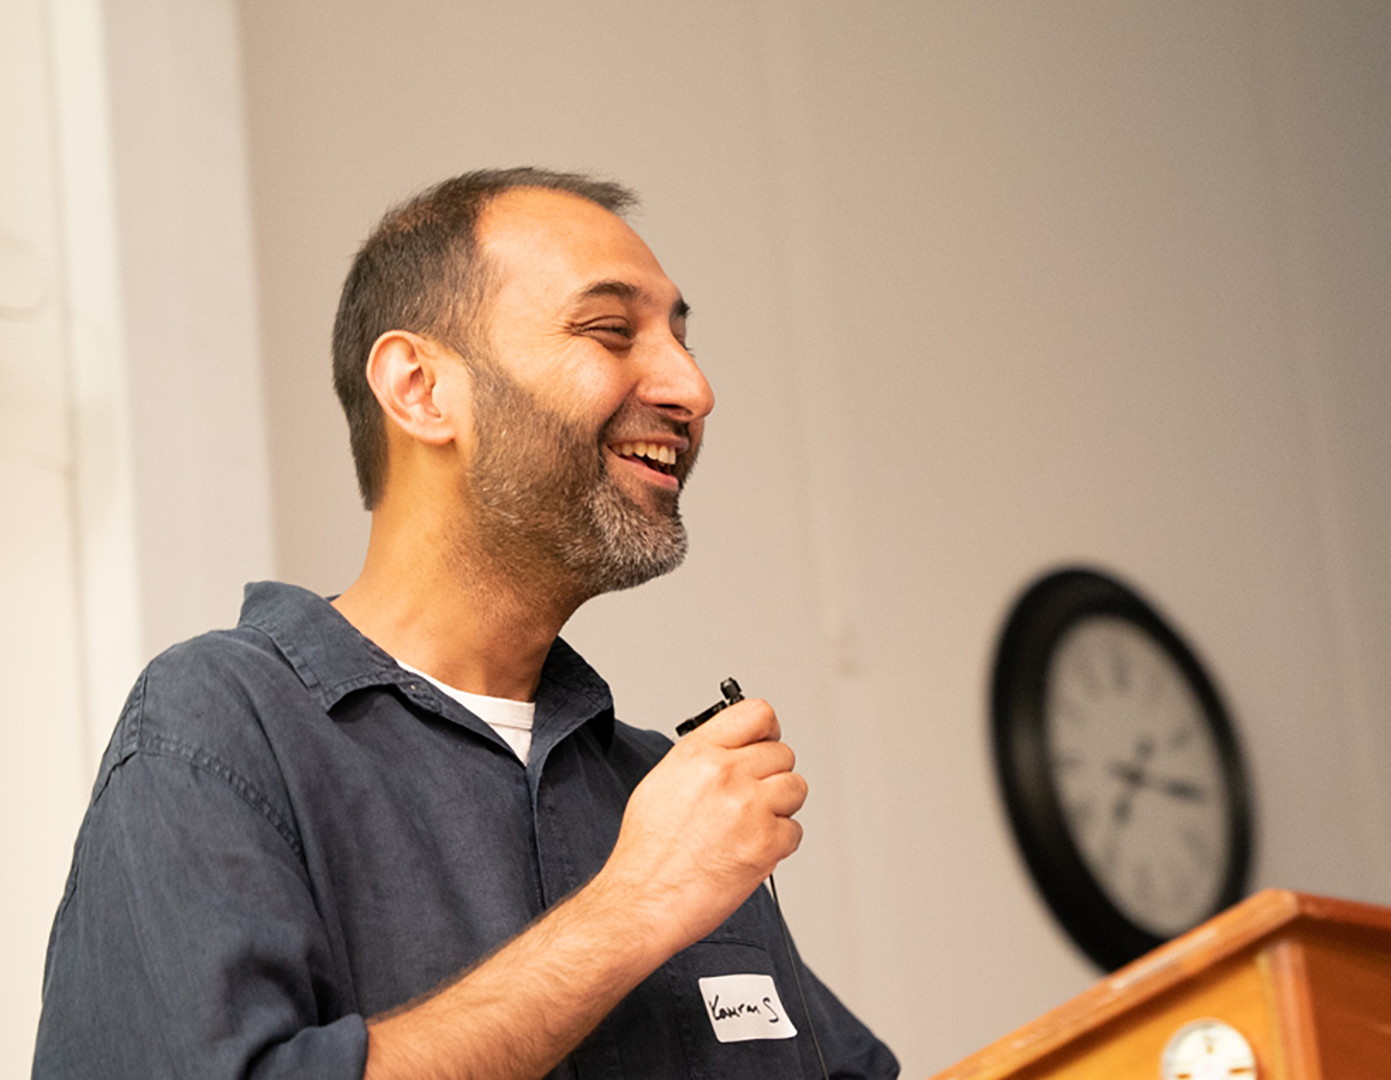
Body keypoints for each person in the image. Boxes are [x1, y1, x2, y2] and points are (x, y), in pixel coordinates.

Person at [34, 168, 899, 1080]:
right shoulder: (217, 727)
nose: (693, 386)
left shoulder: (662, 796)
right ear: (419, 388)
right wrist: (633, 907)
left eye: (682, 339)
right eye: (611, 331)